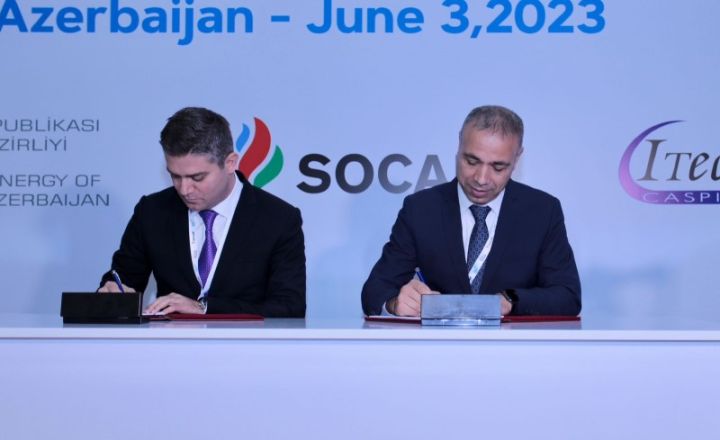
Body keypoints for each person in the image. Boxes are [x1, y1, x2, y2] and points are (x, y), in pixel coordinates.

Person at [361, 105, 580, 317]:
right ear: (459, 144)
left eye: (498, 167)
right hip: (438, 342)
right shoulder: (420, 209)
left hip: (512, 342)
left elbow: (568, 296)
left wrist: (511, 299)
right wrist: (395, 304)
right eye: (472, 161)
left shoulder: (542, 211)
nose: (481, 179)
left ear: (517, 158)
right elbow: (374, 292)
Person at [99, 107, 306, 317]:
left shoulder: (279, 219)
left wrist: (204, 308)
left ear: (230, 163)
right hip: (168, 338)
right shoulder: (152, 211)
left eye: (197, 177)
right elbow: (123, 279)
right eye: (175, 176)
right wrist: (113, 292)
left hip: (246, 339)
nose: (184, 189)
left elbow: (290, 307)